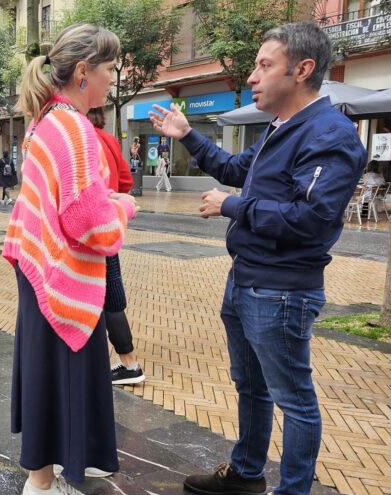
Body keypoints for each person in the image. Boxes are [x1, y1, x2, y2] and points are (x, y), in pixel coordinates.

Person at [149, 21, 366, 495]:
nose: (252, 76)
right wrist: (187, 135)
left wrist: (233, 205)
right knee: (251, 386)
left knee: (295, 400)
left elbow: (311, 219)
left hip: (282, 290)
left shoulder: (331, 135)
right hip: (246, 280)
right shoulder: (279, 128)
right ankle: (247, 474)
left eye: (265, 65)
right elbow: (233, 168)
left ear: (302, 70)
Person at [5, 23, 137, 495]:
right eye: (109, 70)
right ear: (83, 72)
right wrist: (123, 207)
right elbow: (90, 221)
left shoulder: (46, 120)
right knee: (59, 372)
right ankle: (41, 484)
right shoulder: (73, 128)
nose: (113, 79)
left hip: (39, 266)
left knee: (44, 372)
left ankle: (46, 475)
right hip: (63, 273)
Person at [86, 108, 144, 385]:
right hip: (110, 226)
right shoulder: (108, 140)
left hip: (90, 230)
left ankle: (129, 363)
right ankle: (125, 361)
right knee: (111, 294)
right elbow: (126, 181)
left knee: (101, 297)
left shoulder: (81, 140)